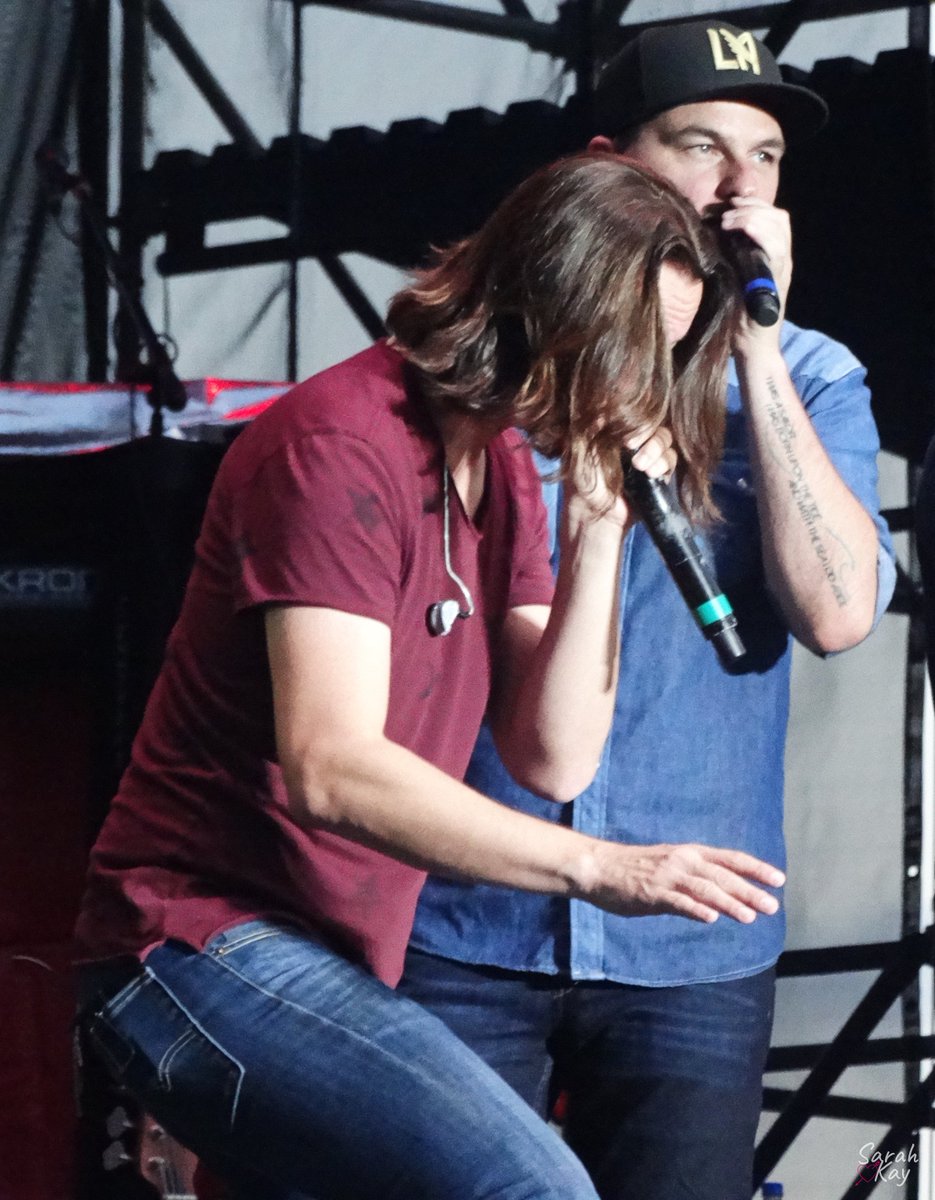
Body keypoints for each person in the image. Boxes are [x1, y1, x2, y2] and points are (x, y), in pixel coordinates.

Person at [72, 155, 784, 1200]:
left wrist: (596, 535)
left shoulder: (495, 464)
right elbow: (334, 768)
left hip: (327, 959)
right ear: (553, 301)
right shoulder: (340, 443)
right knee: (532, 1188)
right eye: (632, 352)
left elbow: (552, 752)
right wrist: (603, 868)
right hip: (192, 945)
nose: (639, 390)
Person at [401, 21, 898, 1200]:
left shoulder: (813, 374)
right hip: (470, 915)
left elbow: (836, 616)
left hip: (690, 942)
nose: (736, 187)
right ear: (606, 167)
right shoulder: (493, 376)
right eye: (700, 145)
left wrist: (757, 354)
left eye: (763, 158)